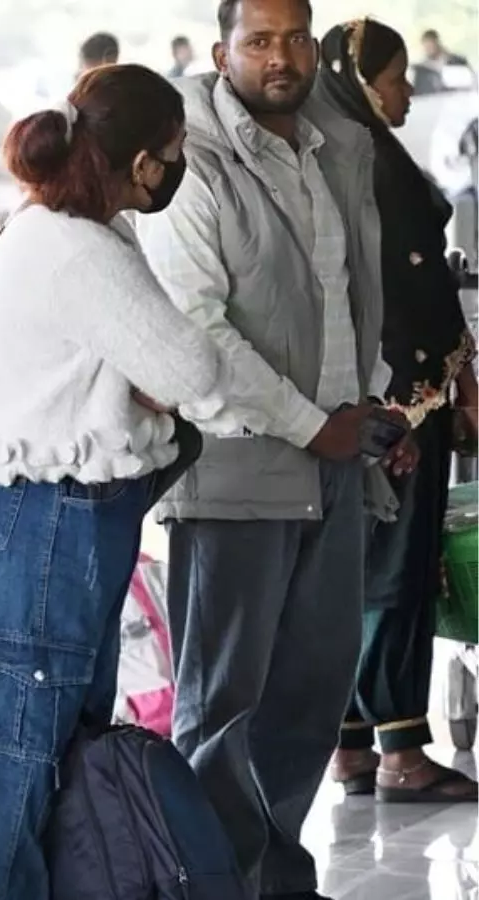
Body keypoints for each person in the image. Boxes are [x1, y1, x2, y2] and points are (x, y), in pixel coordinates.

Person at [134, 1, 418, 897]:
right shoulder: (194, 161)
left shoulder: (336, 147)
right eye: (259, 42)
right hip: (236, 464)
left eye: (295, 37)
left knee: (311, 693)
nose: (281, 57)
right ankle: (218, 883)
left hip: (337, 457)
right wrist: (310, 424)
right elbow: (198, 329)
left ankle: (278, 877)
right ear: (224, 54)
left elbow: (348, 298)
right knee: (222, 705)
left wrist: (369, 408)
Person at [0, 63, 225, 900]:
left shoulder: (74, 229)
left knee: (55, 747)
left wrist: (143, 383)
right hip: (47, 523)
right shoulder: (76, 250)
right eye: (173, 154)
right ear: (142, 161)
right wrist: (148, 386)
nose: (175, 171)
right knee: (25, 758)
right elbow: (191, 366)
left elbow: (159, 369)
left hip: (55, 519)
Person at [316, 18, 479, 804]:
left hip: (363, 405)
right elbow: (417, 292)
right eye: (394, 77)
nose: (407, 91)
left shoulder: (331, 152)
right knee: (399, 573)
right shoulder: (370, 162)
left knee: (362, 570)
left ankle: (350, 744)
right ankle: (403, 752)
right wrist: (463, 381)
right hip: (405, 403)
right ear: (359, 80)